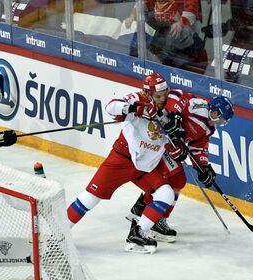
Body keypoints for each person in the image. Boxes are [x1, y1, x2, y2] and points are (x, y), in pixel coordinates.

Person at [67, 72, 189, 254]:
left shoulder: (172, 105)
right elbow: (111, 107)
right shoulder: (138, 98)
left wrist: (180, 147)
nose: (162, 99)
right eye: (157, 96)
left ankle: (137, 235)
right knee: (90, 198)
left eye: (165, 94)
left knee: (166, 194)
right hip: (122, 159)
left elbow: (176, 137)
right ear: (148, 94)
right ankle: (57, 233)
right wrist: (136, 109)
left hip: (147, 166)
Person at [126, 95, 235, 242]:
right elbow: (177, 95)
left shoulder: (209, 128)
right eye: (221, 118)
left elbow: (198, 147)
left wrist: (203, 167)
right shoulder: (197, 107)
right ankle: (148, 213)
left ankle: (146, 210)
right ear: (215, 112)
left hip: (170, 148)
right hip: (157, 142)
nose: (221, 122)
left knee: (178, 180)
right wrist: (175, 115)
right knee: (174, 179)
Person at [125, 0, 207, 74]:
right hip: (162, 30)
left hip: (183, 34)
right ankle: (134, 63)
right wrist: (132, 16)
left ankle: (171, 73)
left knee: (172, 46)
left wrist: (180, 23)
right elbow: (143, 3)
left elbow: (191, 10)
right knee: (142, 30)